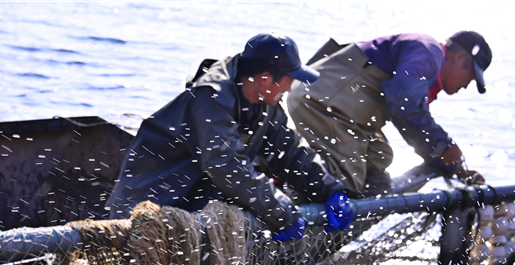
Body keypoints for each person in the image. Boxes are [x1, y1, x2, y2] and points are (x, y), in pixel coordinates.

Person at [106, 33, 355, 241]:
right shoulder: (210, 98)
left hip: (193, 208)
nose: (290, 88)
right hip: (147, 211)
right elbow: (227, 166)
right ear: (266, 79)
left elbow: (289, 150)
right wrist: (283, 215)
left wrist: (331, 190)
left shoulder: (265, 100)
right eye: (289, 80)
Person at [287, 31, 492, 197]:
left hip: (337, 108)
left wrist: (453, 167)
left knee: (379, 158)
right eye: (471, 76)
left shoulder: (425, 58)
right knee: (346, 183)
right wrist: (443, 147)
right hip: (321, 103)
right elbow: (406, 106)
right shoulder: (429, 52)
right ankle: (283, 190)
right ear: (460, 57)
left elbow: (410, 117)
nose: (467, 86)